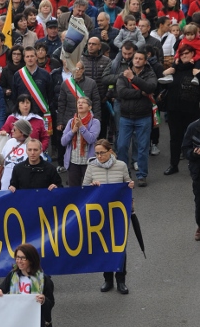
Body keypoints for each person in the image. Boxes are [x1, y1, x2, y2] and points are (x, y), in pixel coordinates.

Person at [82, 139, 135, 293]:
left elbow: (127, 183)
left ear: (110, 151)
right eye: (97, 153)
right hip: (100, 215)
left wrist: (130, 184)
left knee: (119, 247)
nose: (99, 156)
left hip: (117, 214)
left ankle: (121, 280)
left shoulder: (121, 166)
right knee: (104, 246)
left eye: (102, 153)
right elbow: (84, 188)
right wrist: (92, 187)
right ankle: (107, 279)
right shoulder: (91, 167)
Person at [116, 49, 157, 187]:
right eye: (135, 58)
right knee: (121, 146)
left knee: (142, 147)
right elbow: (121, 92)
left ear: (145, 61)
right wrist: (141, 93)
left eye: (140, 59)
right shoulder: (124, 73)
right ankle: (124, 175)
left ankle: (142, 175)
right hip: (126, 116)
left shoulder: (150, 73)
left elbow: (151, 87)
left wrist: (133, 79)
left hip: (143, 117)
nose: (137, 60)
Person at [160, 44, 200, 175]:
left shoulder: (197, 69)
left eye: (187, 53)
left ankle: (195, 164)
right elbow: (164, 85)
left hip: (192, 111)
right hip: (174, 110)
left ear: (193, 54)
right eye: (182, 54)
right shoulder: (174, 70)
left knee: (194, 139)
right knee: (175, 138)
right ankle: (173, 164)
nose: (184, 56)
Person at [61, 97, 101, 187]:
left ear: (90, 107)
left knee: (89, 190)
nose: (80, 104)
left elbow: (91, 139)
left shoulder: (95, 122)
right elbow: (63, 142)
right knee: (74, 191)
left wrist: (82, 127)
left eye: (83, 102)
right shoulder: (71, 122)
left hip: (88, 162)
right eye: (78, 102)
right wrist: (73, 131)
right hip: (73, 162)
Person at [0, 119, 32, 191]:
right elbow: (3, 160)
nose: (12, 131)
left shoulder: (32, 145)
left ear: (22, 132)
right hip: (5, 185)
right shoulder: (10, 142)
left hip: (21, 187)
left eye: (14, 129)